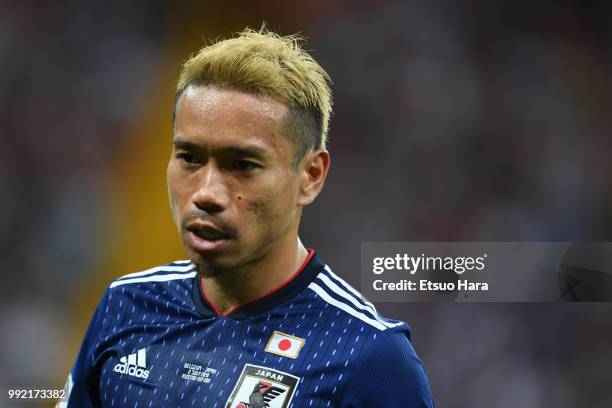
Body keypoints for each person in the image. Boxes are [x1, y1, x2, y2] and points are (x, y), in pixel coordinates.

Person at [60, 28, 434, 407]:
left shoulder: (369, 356)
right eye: (189, 157)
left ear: (311, 175)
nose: (206, 193)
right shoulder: (124, 306)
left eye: (242, 165)